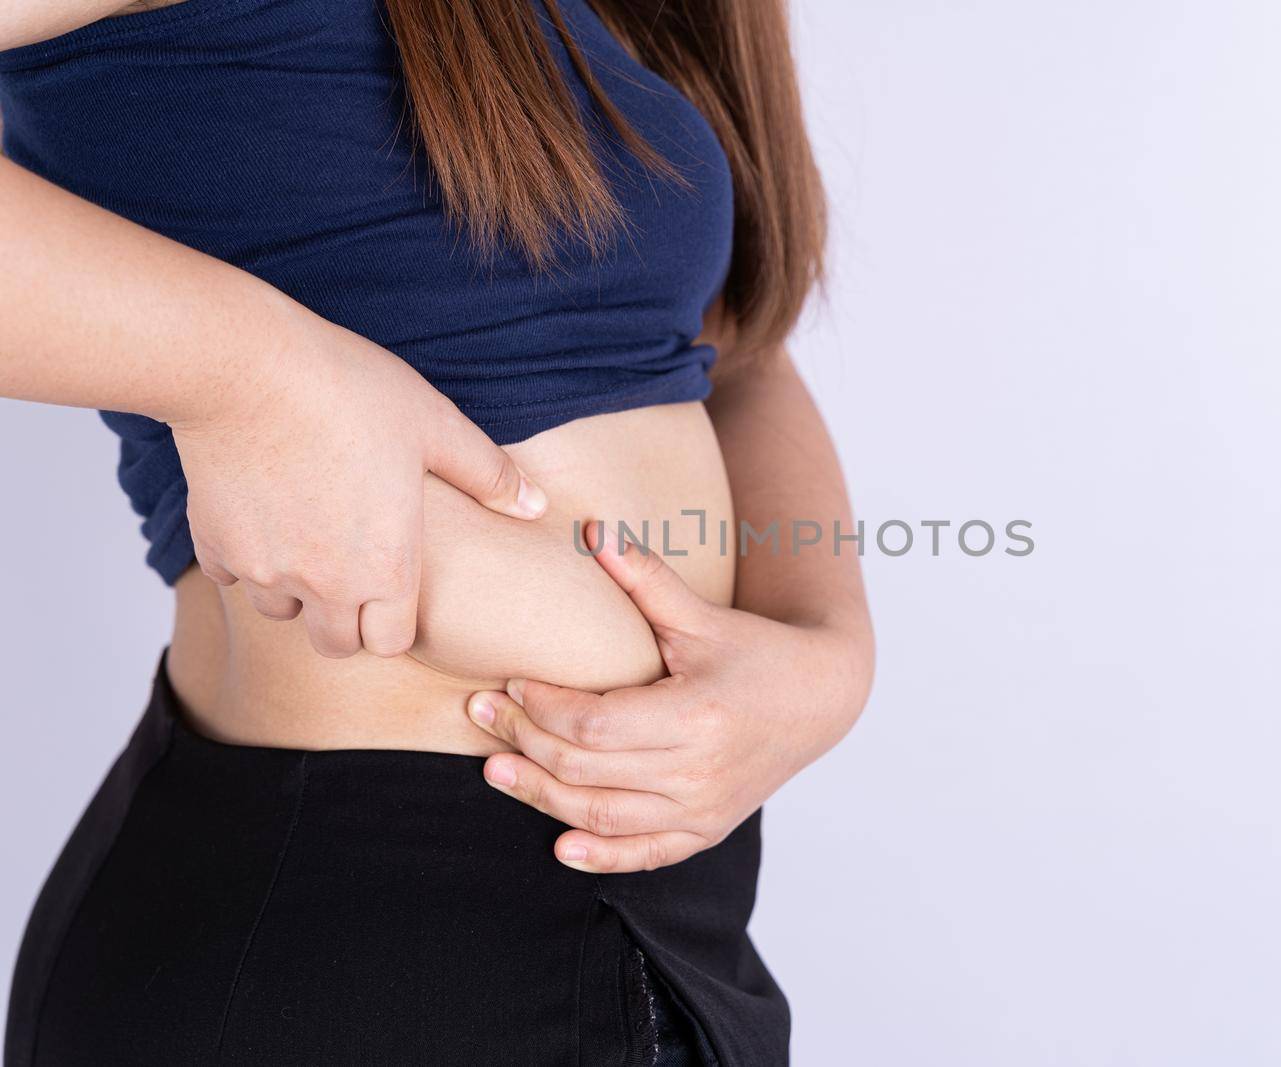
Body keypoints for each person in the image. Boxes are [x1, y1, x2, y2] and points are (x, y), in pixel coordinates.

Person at [0, 1, 873, 1063]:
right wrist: (248, 372)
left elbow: (732, 349)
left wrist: (828, 651)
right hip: (356, 922)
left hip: (667, 910)